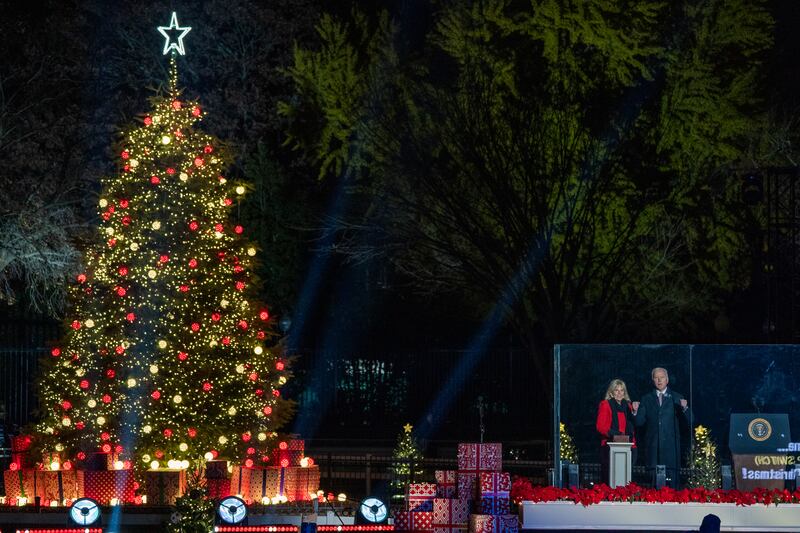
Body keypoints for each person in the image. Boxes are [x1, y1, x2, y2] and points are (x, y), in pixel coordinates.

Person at [632, 367, 691, 488]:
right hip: (653, 452)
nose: (659, 380)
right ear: (653, 380)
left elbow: (690, 422)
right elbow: (639, 423)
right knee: (654, 491)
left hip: (671, 453)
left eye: (662, 377)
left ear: (667, 380)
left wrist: (685, 409)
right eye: (656, 378)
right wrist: (635, 411)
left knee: (672, 490)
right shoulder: (646, 399)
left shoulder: (677, 397)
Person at [595, 379, 637, 484]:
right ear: (611, 392)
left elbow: (633, 425)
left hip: (629, 446)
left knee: (627, 479)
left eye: (622, 390)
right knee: (610, 479)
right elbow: (600, 427)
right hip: (610, 446)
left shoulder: (628, 406)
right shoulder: (606, 404)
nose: (619, 393)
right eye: (616, 390)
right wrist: (616, 434)